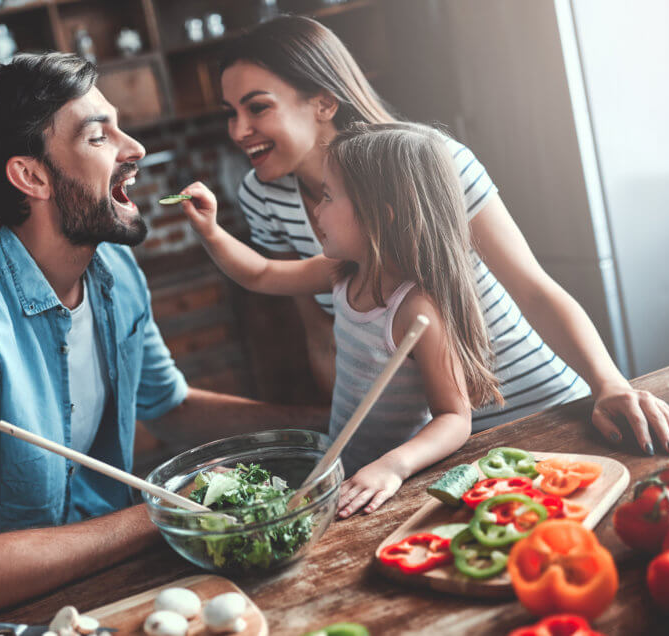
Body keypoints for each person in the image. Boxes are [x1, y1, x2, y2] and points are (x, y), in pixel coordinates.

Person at [0, 52, 326, 633]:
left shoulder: (113, 268)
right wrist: (164, 511)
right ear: (32, 176)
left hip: (103, 588)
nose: (134, 147)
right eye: (99, 136)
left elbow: (171, 407)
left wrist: (327, 428)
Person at [218, 15, 669, 455]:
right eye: (230, 112)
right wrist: (354, 442)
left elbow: (532, 287)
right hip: (424, 450)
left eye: (257, 107)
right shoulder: (262, 196)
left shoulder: (431, 160)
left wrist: (610, 385)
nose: (239, 130)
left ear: (323, 101)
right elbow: (321, 335)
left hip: (534, 409)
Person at [178, 121, 501, 518]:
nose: (317, 210)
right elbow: (260, 273)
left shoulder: (415, 310)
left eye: (328, 197)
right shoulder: (343, 271)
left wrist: (391, 468)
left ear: (378, 216)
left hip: (387, 491)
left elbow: (454, 418)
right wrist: (211, 232)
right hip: (341, 473)